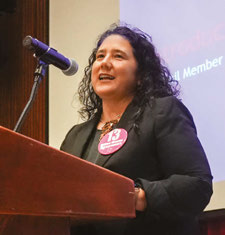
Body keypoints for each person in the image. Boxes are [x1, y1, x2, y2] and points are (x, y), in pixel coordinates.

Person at [60, 23, 213, 235]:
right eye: (100, 56)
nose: (105, 63)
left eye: (118, 56)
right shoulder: (75, 136)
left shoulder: (162, 112)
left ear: (141, 75)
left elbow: (196, 185)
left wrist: (136, 196)